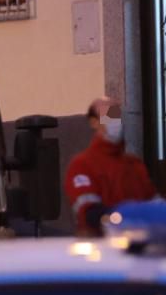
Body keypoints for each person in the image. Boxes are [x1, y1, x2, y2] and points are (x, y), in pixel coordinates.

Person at [65, 97, 157, 235]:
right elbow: (90, 213)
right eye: (108, 115)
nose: (115, 122)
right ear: (94, 122)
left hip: (139, 244)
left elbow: (155, 205)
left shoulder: (134, 165)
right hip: (102, 248)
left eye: (117, 115)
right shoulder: (81, 165)